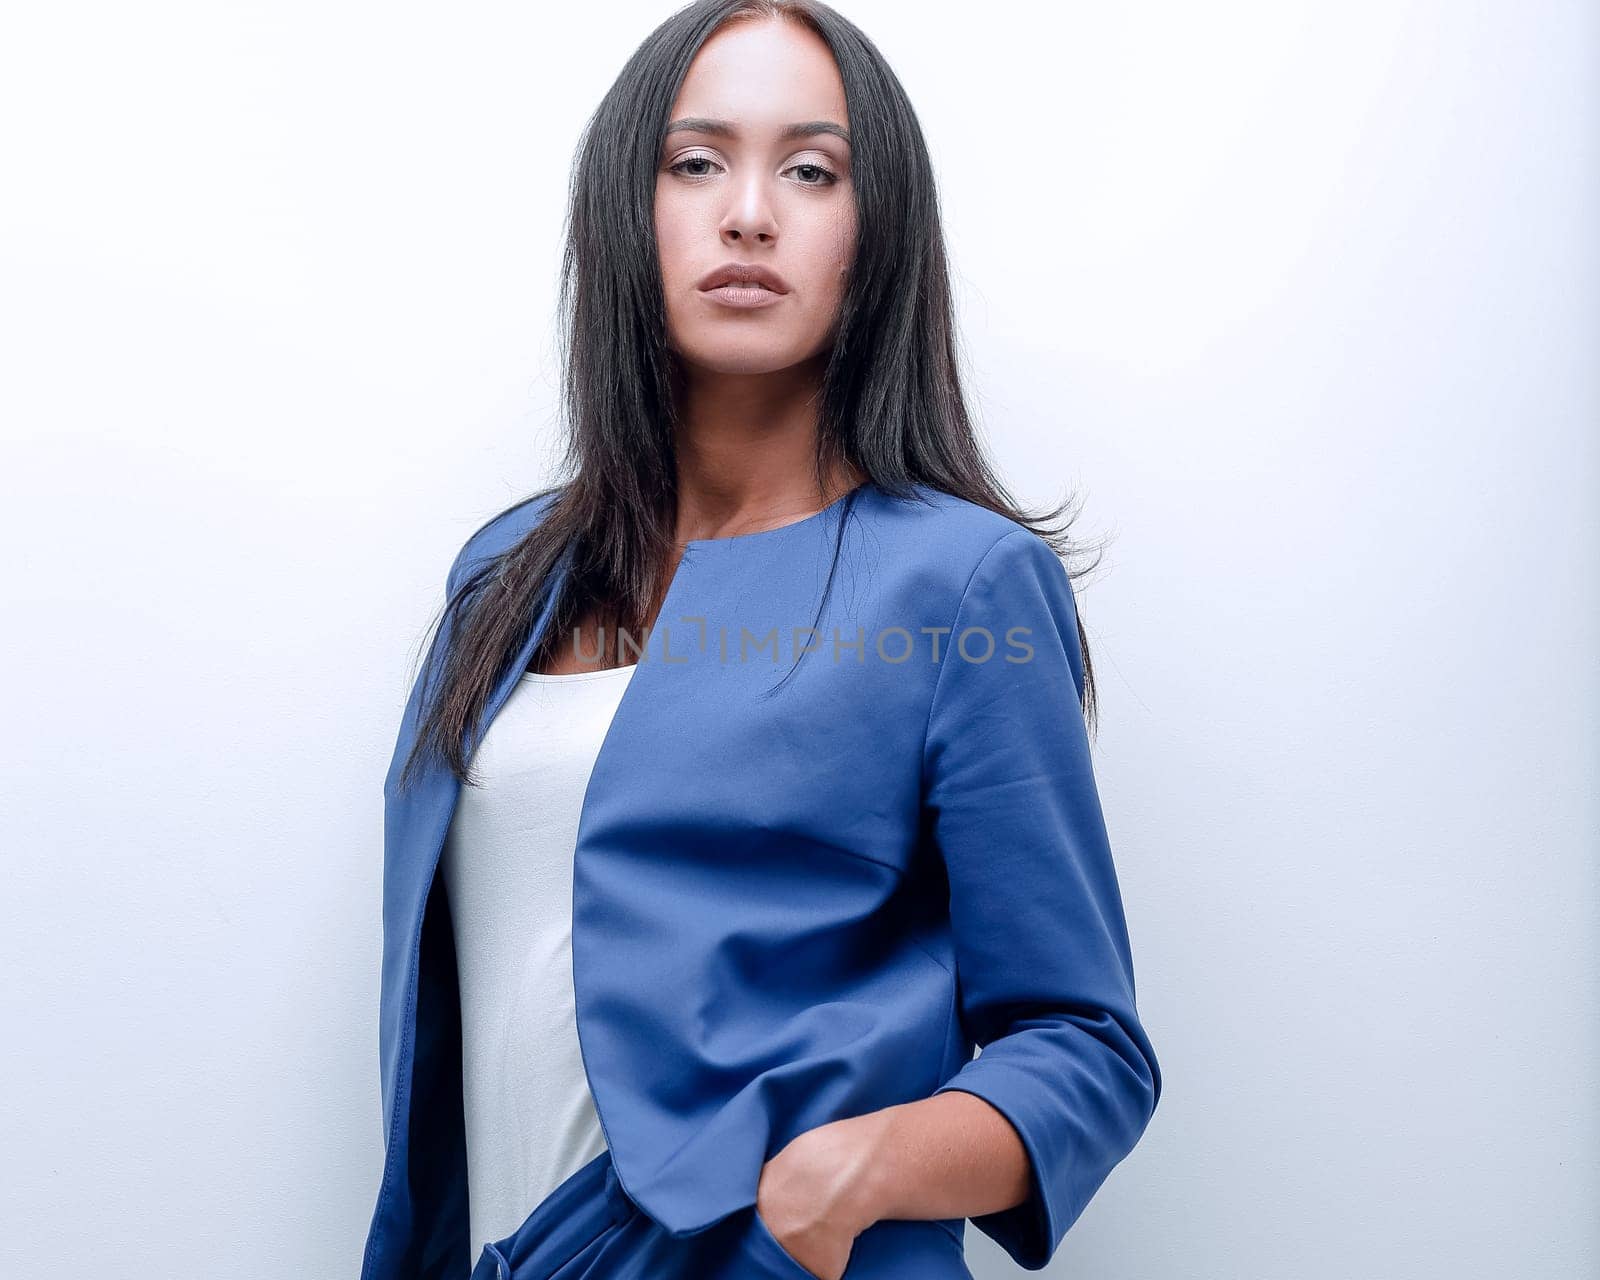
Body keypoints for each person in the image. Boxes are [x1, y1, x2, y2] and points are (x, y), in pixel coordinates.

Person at [359, 3, 1162, 1278]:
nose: (748, 212)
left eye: (810, 168)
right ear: (629, 211)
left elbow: (1083, 1042)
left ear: (872, 230)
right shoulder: (503, 578)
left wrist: (851, 1172)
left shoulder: (958, 584)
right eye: (695, 161)